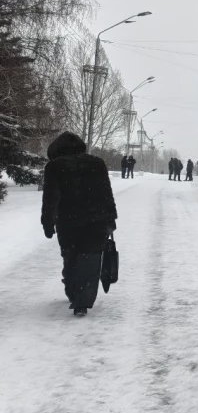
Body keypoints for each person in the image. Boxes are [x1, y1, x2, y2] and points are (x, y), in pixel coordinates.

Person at [41, 131, 117, 317]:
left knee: (71, 256)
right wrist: (110, 218)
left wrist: (48, 222)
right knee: (91, 259)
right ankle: (82, 302)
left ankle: (73, 291)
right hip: (96, 221)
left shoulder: (54, 166)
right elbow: (106, 192)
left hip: (68, 222)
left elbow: (51, 197)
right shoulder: (97, 163)